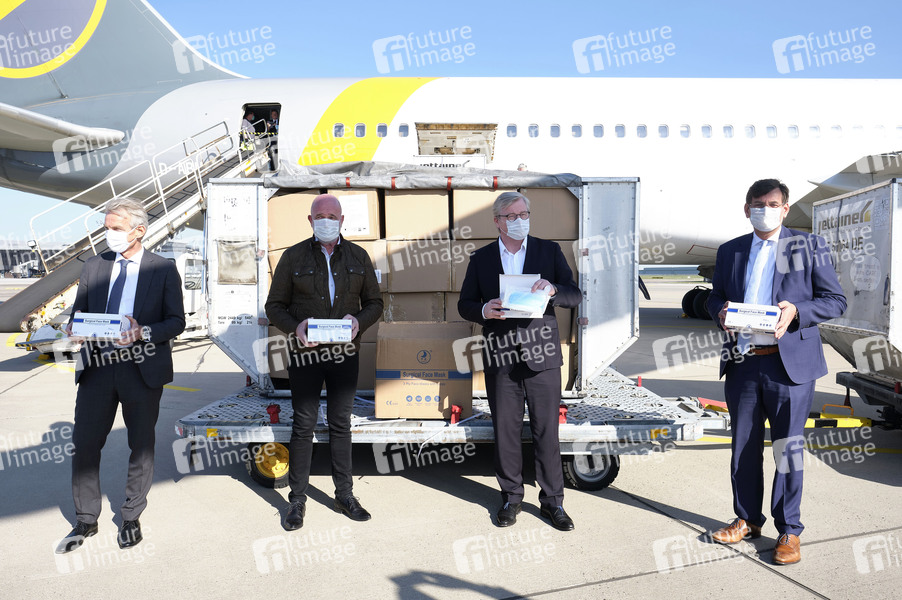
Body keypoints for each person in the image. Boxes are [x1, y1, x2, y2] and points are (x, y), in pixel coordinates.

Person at [706, 179, 846, 565]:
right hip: (743, 362)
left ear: (785, 209)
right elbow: (715, 296)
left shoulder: (809, 246)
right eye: (758, 204)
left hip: (789, 367)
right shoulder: (731, 251)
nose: (764, 210)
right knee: (743, 447)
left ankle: (789, 530)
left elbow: (835, 300)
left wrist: (797, 311)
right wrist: (719, 311)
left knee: (787, 450)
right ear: (746, 208)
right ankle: (747, 519)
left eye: (772, 204)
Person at [58, 198, 185, 553]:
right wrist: (74, 327)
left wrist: (143, 332)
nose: (109, 234)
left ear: (138, 230)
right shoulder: (94, 266)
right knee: (84, 444)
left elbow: (176, 321)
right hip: (97, 366)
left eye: (116, 228)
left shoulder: (162, 269)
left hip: (141, 366)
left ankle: (131, 516)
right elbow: (80, 313)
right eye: (107, 228)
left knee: (140, 445)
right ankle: (86, 518)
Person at [458, 191, 581, 531]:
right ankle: (511, 498)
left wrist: (553, 289)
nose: (519, 221)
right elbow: (465, 304)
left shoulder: (548, 251)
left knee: (547, 431)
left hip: (541, 355)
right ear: (497, 221)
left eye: (524, 214)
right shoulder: (481, 258)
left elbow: (574, 294)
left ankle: (553, 502)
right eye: (511, 216)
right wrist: (484, 310)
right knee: (506, 431)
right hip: (501, 355)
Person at [265, 194, 382, 531]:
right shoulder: (293, 256)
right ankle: (297, 500)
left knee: (340, 423)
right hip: (306, 354)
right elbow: (274, 306)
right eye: (320, 216)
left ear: (342, 220)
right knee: (303, 425)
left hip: (344, 353)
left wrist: (359, 321)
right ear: (310, 220)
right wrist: (296, 327)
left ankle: (344, 494)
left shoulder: (358, 256)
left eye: (332, 216)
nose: (326, 221)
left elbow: (375, 303)